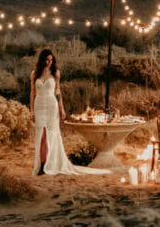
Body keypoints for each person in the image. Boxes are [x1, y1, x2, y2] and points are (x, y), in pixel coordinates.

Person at [30, 47, 108, 176]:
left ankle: (49, 164)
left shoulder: (55, 73)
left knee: (51, 135)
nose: (49, 62)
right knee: (41, 137)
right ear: (42, 60)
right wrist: (31, 110)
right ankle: (41, 164)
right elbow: (32, 93)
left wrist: (62, 109)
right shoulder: (35, 74)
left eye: (51, 60)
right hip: (39, 106)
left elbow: (58, 91)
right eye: (47, 60)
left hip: (51, 105)